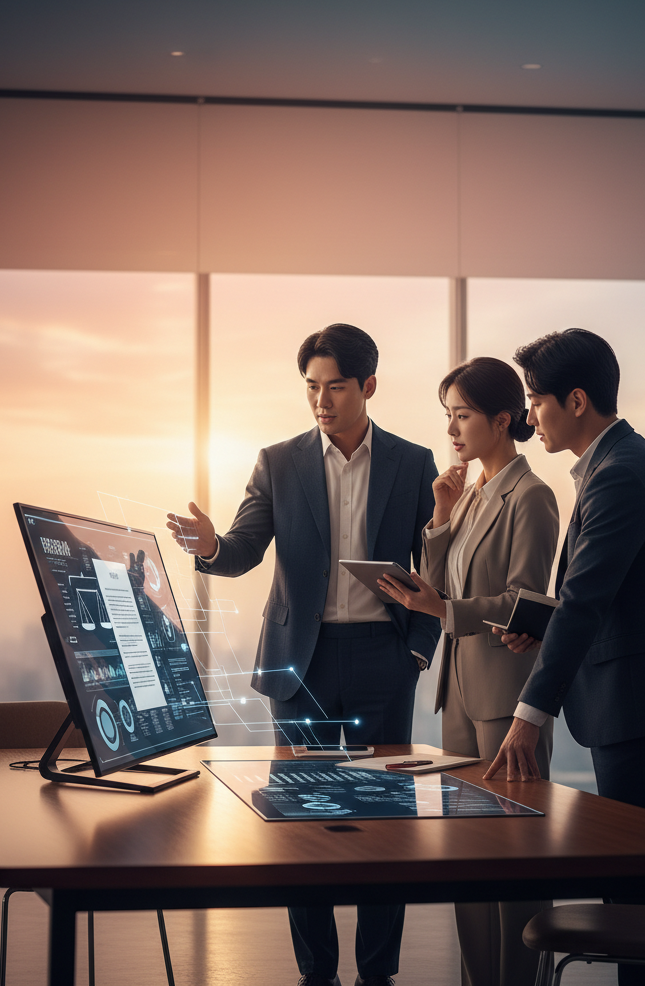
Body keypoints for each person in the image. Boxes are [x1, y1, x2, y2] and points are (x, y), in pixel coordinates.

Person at [167, 323, 440, 986]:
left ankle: (378, 975)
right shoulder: (278, 461)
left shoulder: (413, 462)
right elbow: (243, 550)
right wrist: (209, 545)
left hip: (383, 658)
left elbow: (438, 565)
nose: (321, 399)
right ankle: (316, 975)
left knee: (384, 830)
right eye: (312, 387)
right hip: (301, 665)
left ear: (367, 386)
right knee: (303, 828)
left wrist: (416, 654)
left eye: (335, 387)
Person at [484, 328, 645, 986]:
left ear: (578, 400)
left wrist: (526, 716)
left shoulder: (618, 477)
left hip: (641, 703)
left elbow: (588, 603)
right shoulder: (617, 464)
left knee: (642, 903)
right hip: (637, 695)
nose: (530, 415)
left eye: (536, 401)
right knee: (639, 891)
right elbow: (603, 593)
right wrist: (541, 623)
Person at [378, 356, 559, 986]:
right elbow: (436, 588)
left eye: (463, 416)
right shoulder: (474, 490)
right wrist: (439, 520)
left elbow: (527, 603)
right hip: (457, 692)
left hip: (506, 697)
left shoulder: (530, 496)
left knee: (512, 857)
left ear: (502, 419)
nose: (452, 430)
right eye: (447, 416)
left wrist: (446, 608)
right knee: (469, 858)